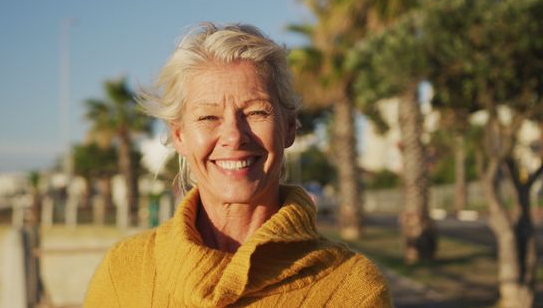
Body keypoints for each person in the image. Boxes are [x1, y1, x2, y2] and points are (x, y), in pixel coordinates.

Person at [84, 23, 392, 307]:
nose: (233, 136)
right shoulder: (123, 272)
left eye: (256, 112)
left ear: (288, 128)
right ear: (179, 136)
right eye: (208, 117)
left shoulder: (351, 288)